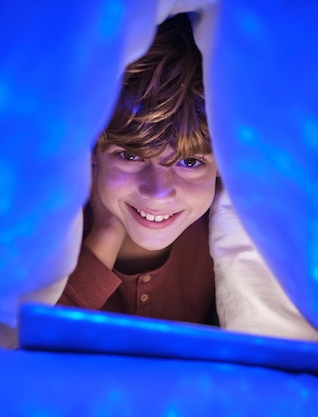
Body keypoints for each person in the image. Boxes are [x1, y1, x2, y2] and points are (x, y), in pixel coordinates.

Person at [57, 13, 218, 325]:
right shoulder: (54, 231)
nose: (157, 192)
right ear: (91, 148)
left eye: (190, 162)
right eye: (130, 156)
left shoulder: (220, 241)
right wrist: (107, 231)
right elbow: (25, 347)